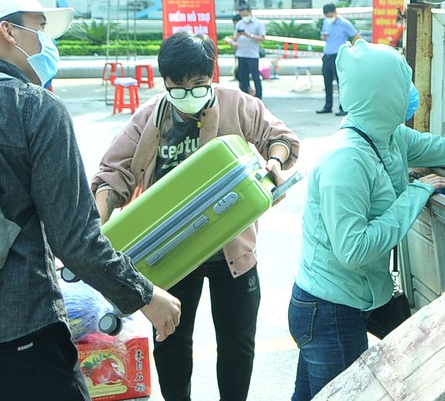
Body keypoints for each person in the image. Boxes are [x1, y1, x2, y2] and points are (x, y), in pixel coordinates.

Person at [0, 0, 180, 400]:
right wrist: (143, 295)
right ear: (8, 32)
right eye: (38, 28)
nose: (46, 42)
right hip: (16, 331)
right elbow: (76, 240)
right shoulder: (34, 107)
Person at [288, 39, 445, 400]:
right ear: (383, 92)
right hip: (329, 311)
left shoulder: (388, 137)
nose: (411, 92)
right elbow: (353, 250)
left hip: (346, 303)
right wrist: (414, 193)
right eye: (404, 83)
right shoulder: (345, 160)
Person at [92, 31, 299, 401]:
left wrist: (274, 162)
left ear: (211, 76)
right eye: (178, 87)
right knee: (170, 342)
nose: (189, 93)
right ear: (165, 82)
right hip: (168, 254)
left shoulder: (238, 104)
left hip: (232, 255)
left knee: (237, 345)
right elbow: (113, 173)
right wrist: (99, 222)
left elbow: (280, 138)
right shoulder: (150, 117)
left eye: (198, 84)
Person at [316, 3, 359, 116]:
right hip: (327, 55)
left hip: (339, 55)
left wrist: (353, 48)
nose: (329, 18)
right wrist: (323, 37)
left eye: (330, 16)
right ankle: (328, 106)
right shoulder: (326, 22)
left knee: (341, 82)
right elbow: (323, 36)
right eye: (327, 16)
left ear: (335, 12)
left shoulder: (344, 23)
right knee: (327, 82)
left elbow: (355, 35)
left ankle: (343, 107)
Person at [230, 3, 266, 99]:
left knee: (255, 76)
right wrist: (237, 35)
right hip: (241, 54)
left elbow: (262, 38)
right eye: (242, 14)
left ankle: (258, 96)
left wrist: (249, 35)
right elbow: (234, 38)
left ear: (250, 12)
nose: (244, 16)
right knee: (243, 78)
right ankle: (244, 97)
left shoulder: (258, 23)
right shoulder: (239, 23)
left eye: (245, 14)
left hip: (252, 54)